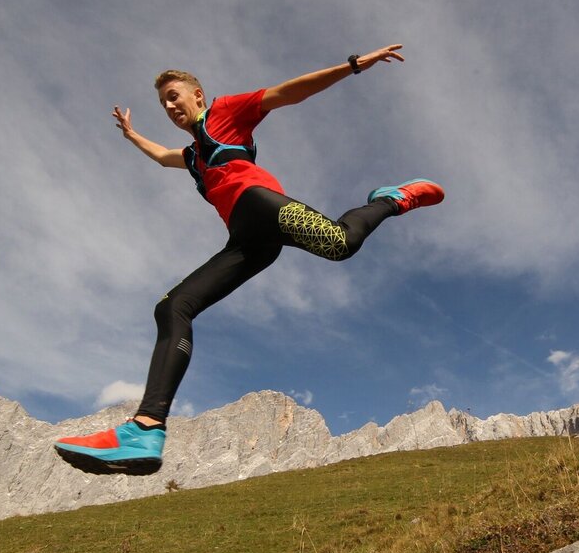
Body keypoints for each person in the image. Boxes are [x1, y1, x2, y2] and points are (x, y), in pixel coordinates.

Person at [54, 44, 444, 475]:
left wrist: (351, 66)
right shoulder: (190, 157)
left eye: (174, 95)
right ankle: (145, 429)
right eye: (162, 102)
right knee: (172, 307)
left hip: (258, 203)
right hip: (246, 240)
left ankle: (390, 199)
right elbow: (164, 156)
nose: (168, 106)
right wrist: (131, 136)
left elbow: (287, 93)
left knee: (339, 244)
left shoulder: (225, 113)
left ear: (198, 95)